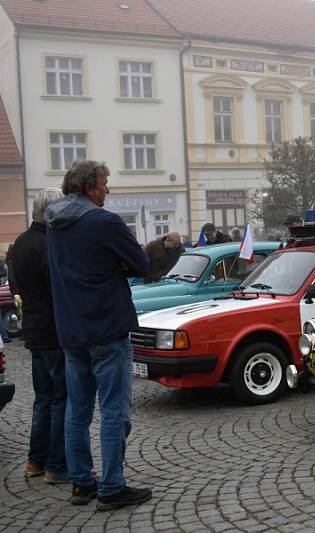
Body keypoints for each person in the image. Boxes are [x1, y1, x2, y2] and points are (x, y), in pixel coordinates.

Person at [44, 160, 151, 510]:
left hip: (71, 330)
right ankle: (111, 487)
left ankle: (81, 483)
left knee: (77, 410)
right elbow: (141, 264)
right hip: (106, 326)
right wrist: (115, 265)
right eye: (105, 183)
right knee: (113, 410)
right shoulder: (104, 221)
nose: (108, 189)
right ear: (90, 186)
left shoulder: (54, 223)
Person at [12, 188, 69, 483]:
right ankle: (56, 465)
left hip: (33, 329)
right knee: (60, 399)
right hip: (53, 331)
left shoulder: (20, 243)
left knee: (43, 399)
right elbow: (58, 289)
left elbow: (16, 285)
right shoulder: (50, 245)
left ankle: (36, 461)